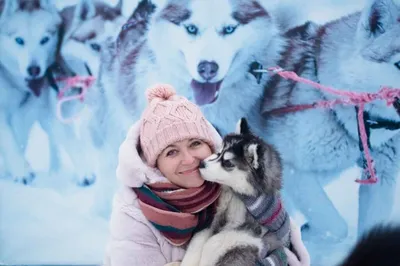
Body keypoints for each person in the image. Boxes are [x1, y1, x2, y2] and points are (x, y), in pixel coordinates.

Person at [103, 84, 310, 266]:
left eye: (195, 143)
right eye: (171, 152)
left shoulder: (233, 185)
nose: (190, 159)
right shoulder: (134, 216)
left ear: (211, 144)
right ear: (155, 166)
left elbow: (283, 241)